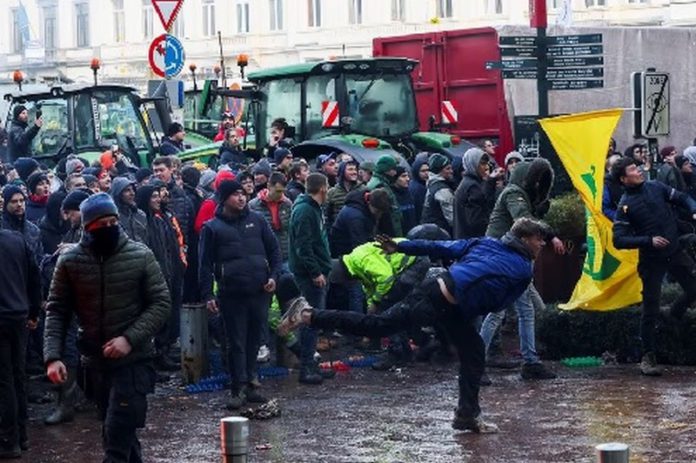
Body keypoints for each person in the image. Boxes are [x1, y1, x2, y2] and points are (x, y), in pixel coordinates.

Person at [279, 217, 551, 433]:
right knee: (377, 325)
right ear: (524, 239)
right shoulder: (523, 269)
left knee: (474, 350)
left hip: (442, 296)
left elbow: (440, 248)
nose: (542, 244)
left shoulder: (485, 242)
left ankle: (467, 414)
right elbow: (497, 303)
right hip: (436, 302)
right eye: (539, 239)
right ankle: (308, 314)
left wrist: (401, 246)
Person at [43, 193, 169, 461]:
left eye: (114, 221)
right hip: (95, 363)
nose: (109, 227)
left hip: (134, 362)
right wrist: (53, 357)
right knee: (120, 437)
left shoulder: (140, 255)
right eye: (102, 224)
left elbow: (161, 303)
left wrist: (129, 338)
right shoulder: (70, 261)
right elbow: (57, 311)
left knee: (116, 436)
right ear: (88, 227)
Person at [199, 180, 281, 409]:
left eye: (243, 193)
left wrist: (274, 276)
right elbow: (204, 265)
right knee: (235, 342)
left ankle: (253, 383)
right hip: (231, 293)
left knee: (255, 339)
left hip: (259, 291)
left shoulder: (257, 220)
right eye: (235, 195)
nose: (241, 198)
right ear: (224, 199)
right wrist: (207, 295)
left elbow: (274, 251)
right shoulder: (212, 228)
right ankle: (237, 388)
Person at [612, 157, 696, 376]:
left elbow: (682, 197)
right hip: (651, 260)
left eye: (637, 167)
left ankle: (674, 315)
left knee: (694, 289)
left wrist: (693, 209)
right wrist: (648, 241)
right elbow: (618, 241)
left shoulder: (656, 186)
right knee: (650, 309)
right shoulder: (624, 206)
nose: (639, 170)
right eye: (633, 169)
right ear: (623, 178)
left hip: (675, 252)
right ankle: (648, 357)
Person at [482, 158, 563, 381]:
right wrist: (551, 233)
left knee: (524, 310)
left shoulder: (521, 193)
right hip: (502, 258)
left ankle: (530, 362)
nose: (538, 186)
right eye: (536, 181)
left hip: (514, 257)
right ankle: (476, 363)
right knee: (497, 311)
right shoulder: (513, 193)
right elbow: (523, 220)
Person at [288, 173, 336, 385]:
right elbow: (303, 246)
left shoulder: (312, 208)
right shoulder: (306, 211)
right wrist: (315, 272)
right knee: (310, 319)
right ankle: (306, 366)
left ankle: (311, 362)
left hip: (315, 271)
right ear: (323, 188)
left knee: (314, 319)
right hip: (309, 276)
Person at [0, 229, 41, 458]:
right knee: (18, 375)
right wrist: (33, 312)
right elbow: (33, 276)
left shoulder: (17, 239)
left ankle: (9, 439)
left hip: (6, 316)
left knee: (5, 380)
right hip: (19, 314)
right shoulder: (17, 239)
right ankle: (21, 434)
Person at [454, 148, 502, 239]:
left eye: (487, 163)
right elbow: (477, 221)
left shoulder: (466, 182)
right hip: (472, 241)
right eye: (482, 163)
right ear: (473, 165)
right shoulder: (472, 186)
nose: (487, 167)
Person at [1, 185, 43, 264]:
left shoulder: (34, 230)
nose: (19, 204)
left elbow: (39, 258)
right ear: (6, 204)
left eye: (22, 200)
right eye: (14, 201)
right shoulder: (1, 229)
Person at [367, 155, 402, 237]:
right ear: (386, 170)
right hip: (386, 229)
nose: (395, 173)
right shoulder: (378, 185)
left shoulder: (383, 183)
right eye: (393, 169)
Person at [421, 153, 455, 235]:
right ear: (439, 171)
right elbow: (452, 219)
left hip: (430, 231)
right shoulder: (442, 190)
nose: (451, 171)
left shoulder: (431, 184)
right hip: (440, 233)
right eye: (448, 169)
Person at [109, 177, 148, 244]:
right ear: (118, 194)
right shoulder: (111, 218)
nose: (132, 193)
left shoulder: (140, 214)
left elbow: (146, 239)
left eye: (133, 190)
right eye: (127, 190)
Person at [325, 160, 361, 226]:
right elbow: (326, 215)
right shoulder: (332, 192)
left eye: (355, 170)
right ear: (342, 172)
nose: (354, 172)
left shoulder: (363, 190)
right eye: (350, 169)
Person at [392, 166, 417, 234]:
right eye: (403, 176)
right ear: (395, 178)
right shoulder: (392, 196)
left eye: (408, 176)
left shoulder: (409, 193)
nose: (408, 179)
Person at [409, 153, 429, 223]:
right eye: (423, 171)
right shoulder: (418, 188)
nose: (427, 173)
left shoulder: (422, 185)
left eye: (428, 170)